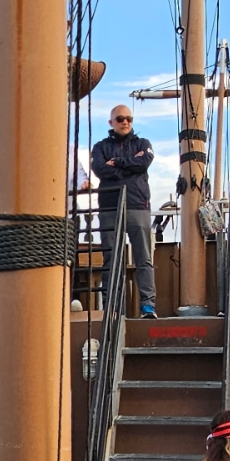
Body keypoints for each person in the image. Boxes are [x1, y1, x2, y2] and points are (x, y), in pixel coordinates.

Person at [90, 104, 157, 317]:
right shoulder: (100, 146)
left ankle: (148, 305)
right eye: (120, 119)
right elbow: (99, 169)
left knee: (143, 258)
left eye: (129, 118)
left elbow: (144, 162)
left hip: (137, 205)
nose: (125, 122)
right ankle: (112, 307)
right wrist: (128, 168)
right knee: (111, 258)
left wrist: (117, 163)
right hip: (110, 207)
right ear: (111, 123)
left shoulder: (143, 143)